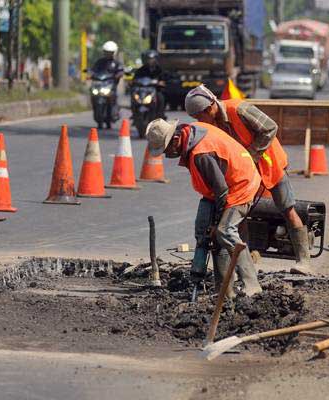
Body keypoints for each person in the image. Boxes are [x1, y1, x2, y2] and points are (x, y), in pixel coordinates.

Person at [184, 84, 315, 275]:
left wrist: (251, 154)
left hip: (270, 165)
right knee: (239, 217)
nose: (198, 121)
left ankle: (304, 261)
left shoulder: (239, 109)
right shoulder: (213, 124)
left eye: (199, 116)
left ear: (209, 107)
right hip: (243, 174)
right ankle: (245, 268)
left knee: (287, 210)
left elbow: (270, 128)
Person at [146, 118, 263, 298]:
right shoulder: (191, 132)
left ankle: (252, 285)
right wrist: (209, 227)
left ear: (176, 140)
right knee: (205, 233)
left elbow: (222, 190)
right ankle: (224, 291)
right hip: (220, 188)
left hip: (241, 184)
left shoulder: (201, 153)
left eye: (166, 149)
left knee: (224, 231)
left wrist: (216, 223)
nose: (167, 154)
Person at [91, 41, 124, 121]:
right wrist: (91, 73)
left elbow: (120, 71)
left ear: (114, 52)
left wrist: (118, 74)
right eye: (107, 52)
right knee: (93, 94)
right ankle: (96, 109)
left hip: (111, 85)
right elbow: (93, 70)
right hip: (100, 85)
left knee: (113, 98)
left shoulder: (116, 63)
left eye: (110, 52)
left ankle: (115, 111)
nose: (108, 54)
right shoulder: (100, 62)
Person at [133, 50, 166, 118]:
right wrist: (133, 82)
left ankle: (160, 115)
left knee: (160, 97)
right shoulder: (141, 69)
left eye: (152, 59)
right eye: (149, 59)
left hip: (155, 90)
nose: (150, 61)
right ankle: (134, 112)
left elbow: (164, 78)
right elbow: (135, 78)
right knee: (134, 95)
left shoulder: (159, 69)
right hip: (143, 89)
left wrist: (161, 82)